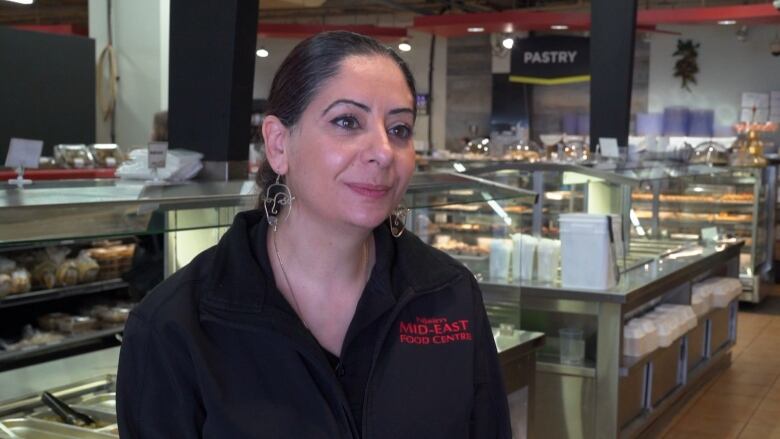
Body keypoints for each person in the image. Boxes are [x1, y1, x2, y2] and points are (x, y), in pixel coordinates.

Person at [116, 31, 511, 438]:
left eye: (399, 129)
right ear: (278, 144)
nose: (383, 151)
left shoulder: (448, 296)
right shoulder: (174, 326)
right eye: (347, 121)